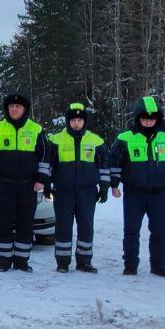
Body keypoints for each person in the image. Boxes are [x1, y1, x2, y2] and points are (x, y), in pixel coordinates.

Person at [108, 96, 165, 277]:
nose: (148, 122)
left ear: (158, 119)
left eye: (152, 119)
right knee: (131, 231)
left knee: (160, 231)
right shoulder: (125, 138)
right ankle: (130, 265)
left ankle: (159, 265)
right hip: (133, 192)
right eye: (144, 118)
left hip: (158, 192)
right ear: (138, 118)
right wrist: (114, 185)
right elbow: (114, 162)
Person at [0, 92, 48, 272]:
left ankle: (22, 261)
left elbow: (45, 156)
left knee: (26, 225)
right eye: (11, 106)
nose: (14, 109)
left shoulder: (36, 130)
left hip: (28, 185)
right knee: (3, 224)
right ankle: (4, 261)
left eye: (18, 106)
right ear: (7, 109)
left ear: (24, 109)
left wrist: (41, 179)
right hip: (3, 185)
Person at [43, 102, 109, 273]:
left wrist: (104, 187)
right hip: (63, 192)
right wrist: (46, 185)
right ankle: (62, 262)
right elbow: (48, 165)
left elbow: (104, 168)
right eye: (73, 120)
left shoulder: (96, 141)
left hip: (87, 192)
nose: (76, 123)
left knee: (86, 226)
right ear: (68, 121)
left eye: (80, 120)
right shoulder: (55, 140)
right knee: (63, 227)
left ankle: (84, 262)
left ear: (84, 121)